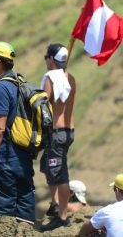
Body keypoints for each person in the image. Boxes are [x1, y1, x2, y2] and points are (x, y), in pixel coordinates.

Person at [0, 41, 35, 226]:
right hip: (23, 158)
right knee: (24, 216)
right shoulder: (18, 83)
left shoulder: (0, 88)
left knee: (2, 220)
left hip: (5, 160)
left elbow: (0, 128)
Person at [39, 43, 76, 231]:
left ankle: (62, 216)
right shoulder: (70, 78)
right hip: (69, 131)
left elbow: (43, 105)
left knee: (59, 174)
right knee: (47, 165)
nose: (45, 60)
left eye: (46, 57)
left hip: (56, 133)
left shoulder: (51, 78)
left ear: (51, 59)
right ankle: (55, 205)